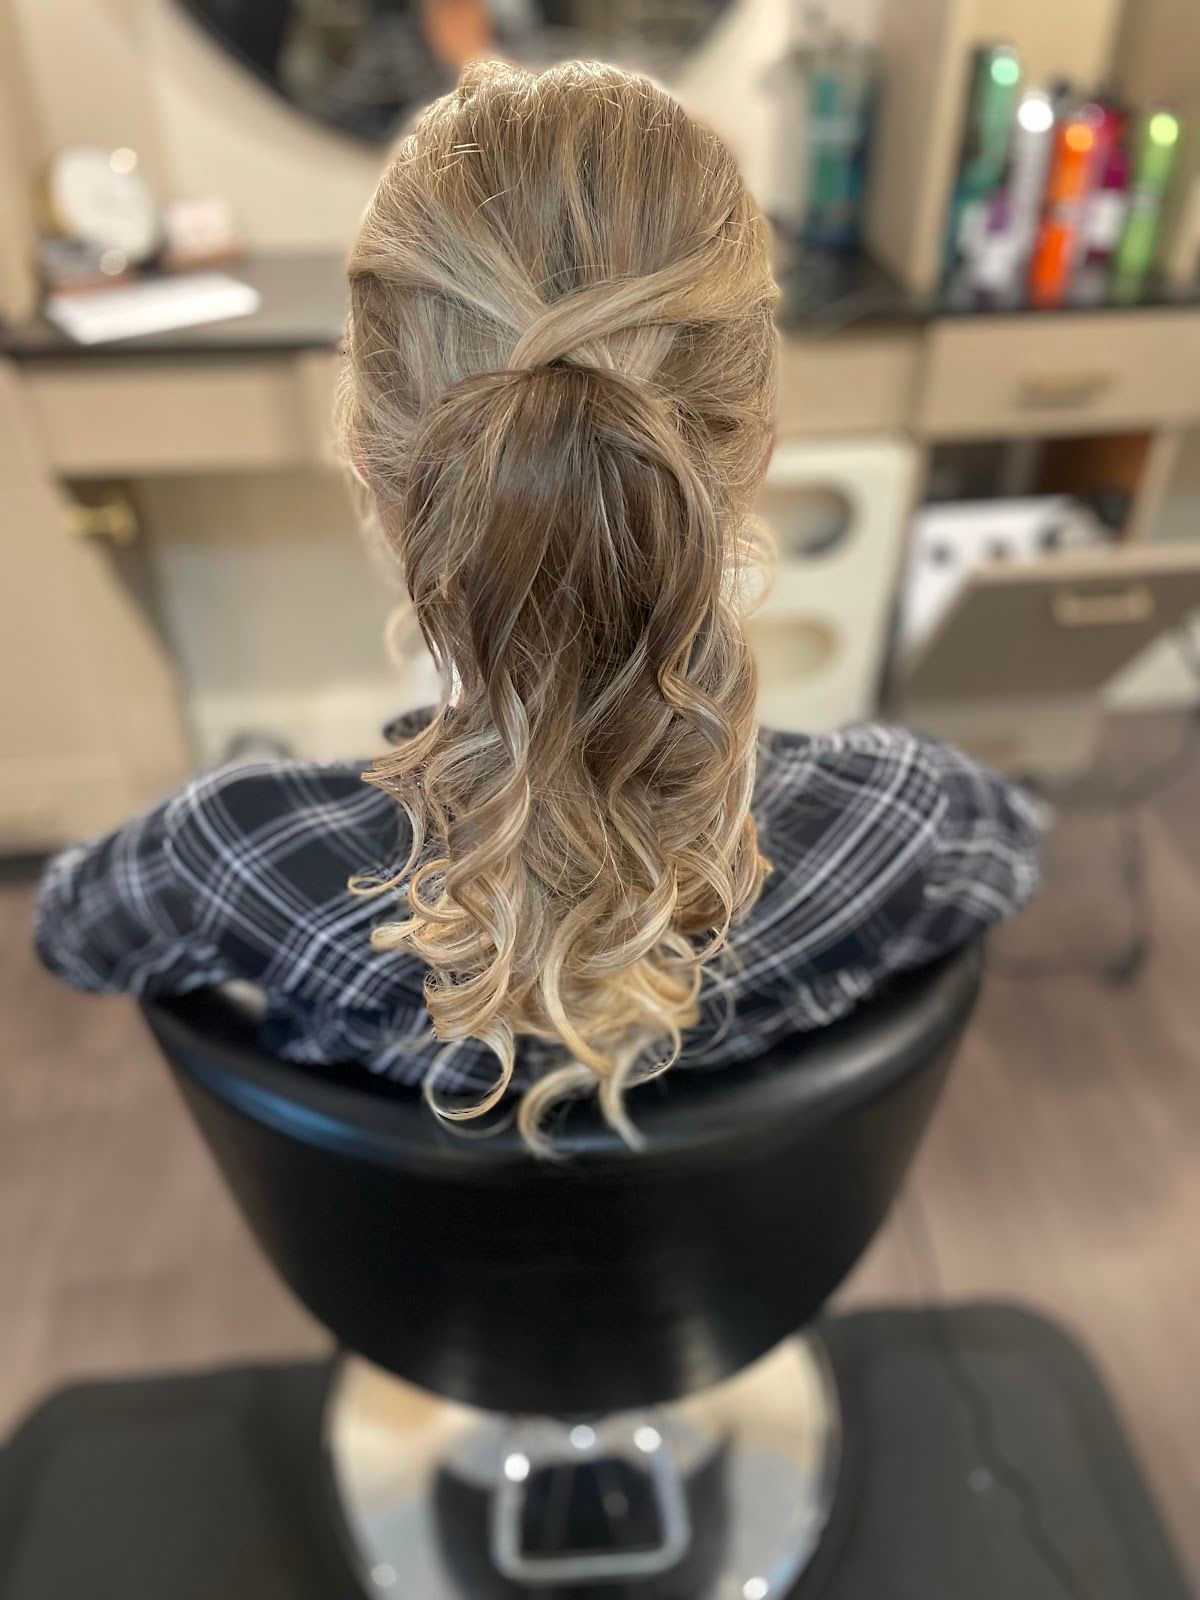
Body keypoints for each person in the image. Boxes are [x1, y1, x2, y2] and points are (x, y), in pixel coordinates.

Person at [35, 60, 1044, 1151]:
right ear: (748, 452)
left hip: (406, 1288)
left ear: (371, 465)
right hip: (743, 1279)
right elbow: (1013, 856)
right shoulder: (903, 820)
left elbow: (74, 932)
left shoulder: (233, 855)